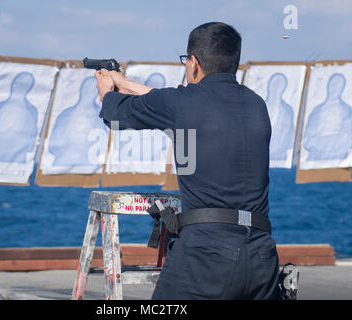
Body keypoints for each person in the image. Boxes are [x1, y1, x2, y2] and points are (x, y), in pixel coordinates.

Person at [94, 22, 280, 300]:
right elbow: (177, 103)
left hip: (206, 255)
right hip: (262, 258)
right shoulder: (256, 105)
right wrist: (125, 83)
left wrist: (107, 89)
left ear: (193, 63)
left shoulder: (182, 103)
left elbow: (115, 115)